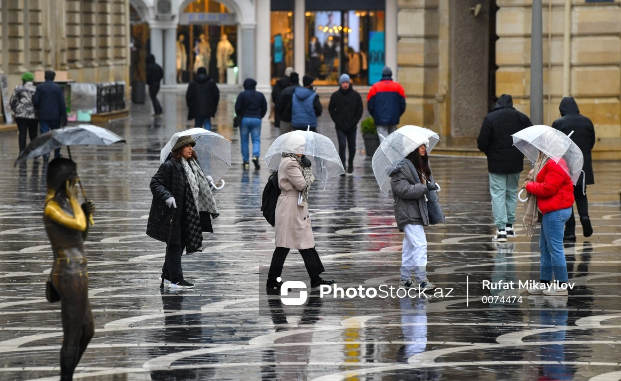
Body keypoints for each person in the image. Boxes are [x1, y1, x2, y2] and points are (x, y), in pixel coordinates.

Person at [43, 158, 96, 380]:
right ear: (63, 180)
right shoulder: (52, 207)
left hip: (78, 271)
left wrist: (84, 210)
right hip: (67, 273)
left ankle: (68, 375)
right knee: (73, 334)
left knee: (88, 330)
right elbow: (79, 225)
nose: (76, 181)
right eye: (73, 178)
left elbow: (80, 236)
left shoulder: (65, 204)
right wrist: (77, 205)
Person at [147, 135, 220, 289]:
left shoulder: (193, 164)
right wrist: (167, 196)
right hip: (173, 212)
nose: (190, 148)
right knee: (175, 244)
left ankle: (167, 275)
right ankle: (176, 279)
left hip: (188, 211)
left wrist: (205, 181)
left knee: (179, 244)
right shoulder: (170, 165)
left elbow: (193, 185)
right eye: (187, 146)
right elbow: (155, 183)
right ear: (179, 148)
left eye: (191, 146)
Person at [266, 133, 334, 290]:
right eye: (299, 147)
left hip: (295, 205)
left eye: (303, 146)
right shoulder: (290, 163)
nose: (302, 150)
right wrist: (308, 168)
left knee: (305, 242)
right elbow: (302, 184)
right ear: (292, 148)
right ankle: (272, 280)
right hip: (290, 207)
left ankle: (315, 277)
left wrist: (305, 166)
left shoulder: (292, 161)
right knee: (284, 245)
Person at [477, 94, 532, 242]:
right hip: (515, 162)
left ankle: (501, 229)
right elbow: (530, 138)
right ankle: (510, 226)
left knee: (498, 194)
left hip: (496, 163)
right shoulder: (521, 118)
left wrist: (491, 153)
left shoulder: (491, 118)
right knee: (512, 193)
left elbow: (482, 142)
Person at [389, 141, 444, 291]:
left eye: (424, 146)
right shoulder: (400, 168)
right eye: (420, 146)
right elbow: (403, 190)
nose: (424, 148)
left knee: (409, 247)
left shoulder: (418, 166)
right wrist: (425, 187)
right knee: (420, 245)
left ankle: (405, 280)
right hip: (407, 212)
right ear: (411, 149)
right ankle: (422, 281)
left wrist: (428, 184)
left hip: (417, 211)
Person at [524, 152, 574, 296]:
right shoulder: (547, 162)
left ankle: (561, 285)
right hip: (550, 210)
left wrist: (529, 186)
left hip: (556, 211)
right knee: (545, 248)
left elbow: (548, 188)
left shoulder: (555, 163)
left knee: (555, 248)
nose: (537, 151)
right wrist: (534, 175)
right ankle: (544, 282)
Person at [552, 97, 595, 242]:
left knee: (567, 198)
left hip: (566, 167)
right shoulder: (587, 121)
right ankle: (585, 217)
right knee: (581, 194)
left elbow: (554, 145)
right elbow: (591, 142)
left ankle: (570, 231)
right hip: (583, 166)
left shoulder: (559, 123)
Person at [328, 74, 363, 174]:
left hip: (352, 126)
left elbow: (359, 109)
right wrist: (337, 120)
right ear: (340, 83)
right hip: (340, 126)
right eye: (343, 82)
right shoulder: (335, 96)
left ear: (349, 83)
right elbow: (331, 109)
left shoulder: (356, 95)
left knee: (352, 147)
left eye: (347, 82)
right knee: (342, 146)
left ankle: (350, 162)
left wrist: (355, 121)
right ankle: (342, 166)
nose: (345, 84)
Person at [33, 70, 67, 160]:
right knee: (56, 135)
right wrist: (64, 115)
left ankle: (45, 154)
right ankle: (57, 153)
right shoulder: (58, 88)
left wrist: (39, 107)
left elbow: (35, 101)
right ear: (53, 77)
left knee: (44, 135)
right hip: (56, 116)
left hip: (43, 115)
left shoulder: (40, 87)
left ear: (45, 77)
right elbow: (62, 103)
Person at [235, 78, 267, 170]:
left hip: (245, 119)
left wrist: (240, 115)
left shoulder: (242, 95)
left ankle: (245, 161)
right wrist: (260, 116)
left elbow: (237, 108)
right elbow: (264, 107)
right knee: (256, 140)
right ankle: (255, 156)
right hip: (257, 119)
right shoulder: (260, 95)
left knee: (244, 141)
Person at [367, 66, 406, 138]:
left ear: (382, 74)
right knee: (392, 140)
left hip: (380, 118)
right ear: (391, 74)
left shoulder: (375, 87)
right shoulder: (398, 87)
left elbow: (370, 105)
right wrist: (397, 114)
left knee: (383, 141)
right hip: (393, 117)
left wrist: (375, 116)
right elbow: (402, 104)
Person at [10, 71, 38, 155]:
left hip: (20, 115)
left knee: (22, 134)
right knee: (33, 134)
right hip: (33, 115)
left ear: (23, 80)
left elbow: (12, 101)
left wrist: (16, 110)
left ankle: (22, 151)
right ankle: (34, 152)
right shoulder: (36, 89)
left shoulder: (18, 88)